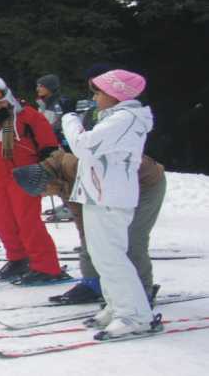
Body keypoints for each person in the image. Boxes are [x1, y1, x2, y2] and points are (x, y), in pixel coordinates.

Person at [61, 69, 158, 338]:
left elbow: (83, 145)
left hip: (110, 197)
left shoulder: (126, 119)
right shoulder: (116, 118)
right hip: (99, 194)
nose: (94, 97)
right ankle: (117, 305)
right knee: (103, 257)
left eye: (98, 92)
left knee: (112, 258)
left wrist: (68, 118)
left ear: (116, 94)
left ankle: (135, 315)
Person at [13, 148, 166, 304]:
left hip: (146, 185)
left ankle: (142, 292)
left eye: (43, 191)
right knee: (94, 235)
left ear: (46, 180)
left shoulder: (75, 167)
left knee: (132, 240)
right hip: (118, 190)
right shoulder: (61, 180)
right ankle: (93, 284)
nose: (45, 195)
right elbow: (85, 224)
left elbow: (99, 198)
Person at [0, 76, 68, 284]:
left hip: (23, 175)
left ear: (7, 94)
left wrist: (47, 172)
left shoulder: (28, 115)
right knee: (3, 222)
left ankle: (46, 266)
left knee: (28, 223)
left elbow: (48, 146)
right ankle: (19, 259)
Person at [35, 74, 75, 222]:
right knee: (55, 174)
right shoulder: (44, 103)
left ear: (50, 87)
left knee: (63, 174)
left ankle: (69, 205)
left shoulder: (57, 103)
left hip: (59, 144)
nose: (38, 88)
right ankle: (65, 202)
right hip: (49, 144)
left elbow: (57, 124)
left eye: (41, 85)